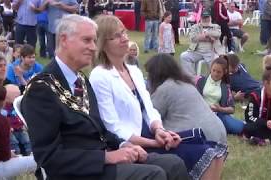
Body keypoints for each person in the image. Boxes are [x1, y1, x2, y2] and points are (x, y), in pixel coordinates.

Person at [21, 14, 189, 180]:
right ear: (64, 40)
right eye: (87, 40)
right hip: (77, 172)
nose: (94, 47)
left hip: (101, 159)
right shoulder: (41, 89)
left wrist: (125, 145)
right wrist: (107, 158)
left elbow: (99, 129)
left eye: (94, 41)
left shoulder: (79, 79)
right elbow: (48, 158)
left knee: (173, 164)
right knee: (153, 175)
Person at [90, 15, 227, 180]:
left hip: (150, 134)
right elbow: (112, 126)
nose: (125, 38)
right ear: (103, 44)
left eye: (124, 33)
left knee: (213, 150)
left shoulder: (133, 70)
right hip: (130, 142)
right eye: (117, 36)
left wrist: (159, 130)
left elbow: (150, 109)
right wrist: (153, 142)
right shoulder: (100, 76)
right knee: (202, 153)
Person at [147, 53, 227, 145]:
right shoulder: (187, 84)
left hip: (202, 140)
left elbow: (150, 117)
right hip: (219, 135)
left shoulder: (165, 89)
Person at [0, 86, 37, 179]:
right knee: (36, 161)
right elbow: (4, 156)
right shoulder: (0, 120)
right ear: (0, 102)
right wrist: (10, 154)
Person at [196, 56, 245, 135]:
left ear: (224, 72)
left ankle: (243, 126)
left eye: (218, 72)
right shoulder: (200, 81)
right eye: (213, 70)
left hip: (218, 115)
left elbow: (232, 109)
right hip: (200, 114)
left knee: (239, 128)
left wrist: (220, 109)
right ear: (210, 69)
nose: (215, 74)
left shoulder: (225, 87)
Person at [180, 11, 222, 77]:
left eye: (207, 17)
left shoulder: (215, 26)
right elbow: (193, 38)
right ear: (201, 18)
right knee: (184, 56)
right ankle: (192, 77)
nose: (205, 19)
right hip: (197, 52)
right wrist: (210, 38)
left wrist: (207, 34)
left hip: (211, 52)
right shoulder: (195, 26)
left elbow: (217, 34)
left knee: (216, 65)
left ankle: (210, 79)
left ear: (210, 18)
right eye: (204, 17)